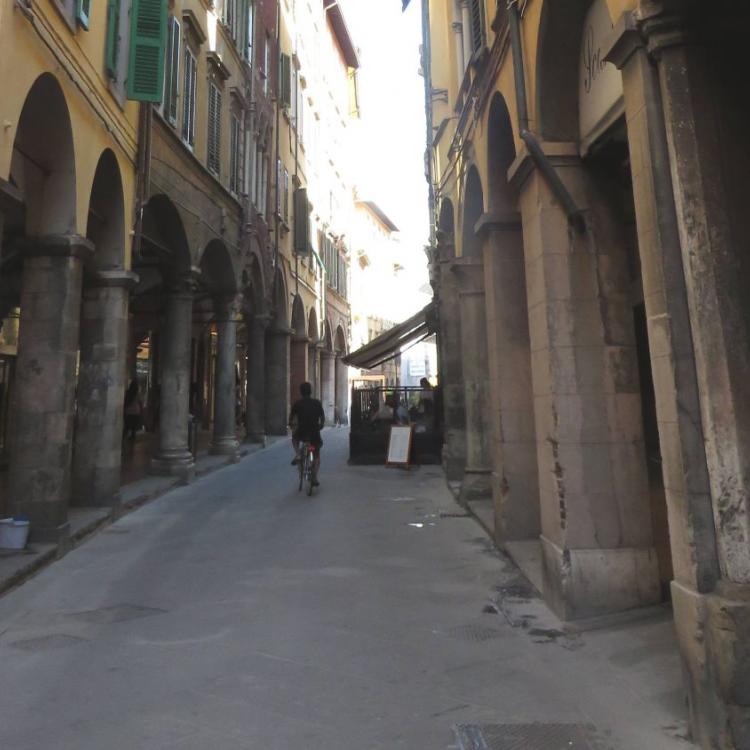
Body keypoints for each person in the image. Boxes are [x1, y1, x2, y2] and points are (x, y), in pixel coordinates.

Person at [288, 381, 325, 485]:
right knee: (316, 455)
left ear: (301, 392)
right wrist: (320, 426)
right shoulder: (317, 403)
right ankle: (315, 477)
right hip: (314, 432)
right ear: (310, 391)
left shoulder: (297, 404)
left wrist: (291, 425)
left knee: (294, 439)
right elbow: (322, 418)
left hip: (302, 431)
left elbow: (291, 418)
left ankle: (298, 454)